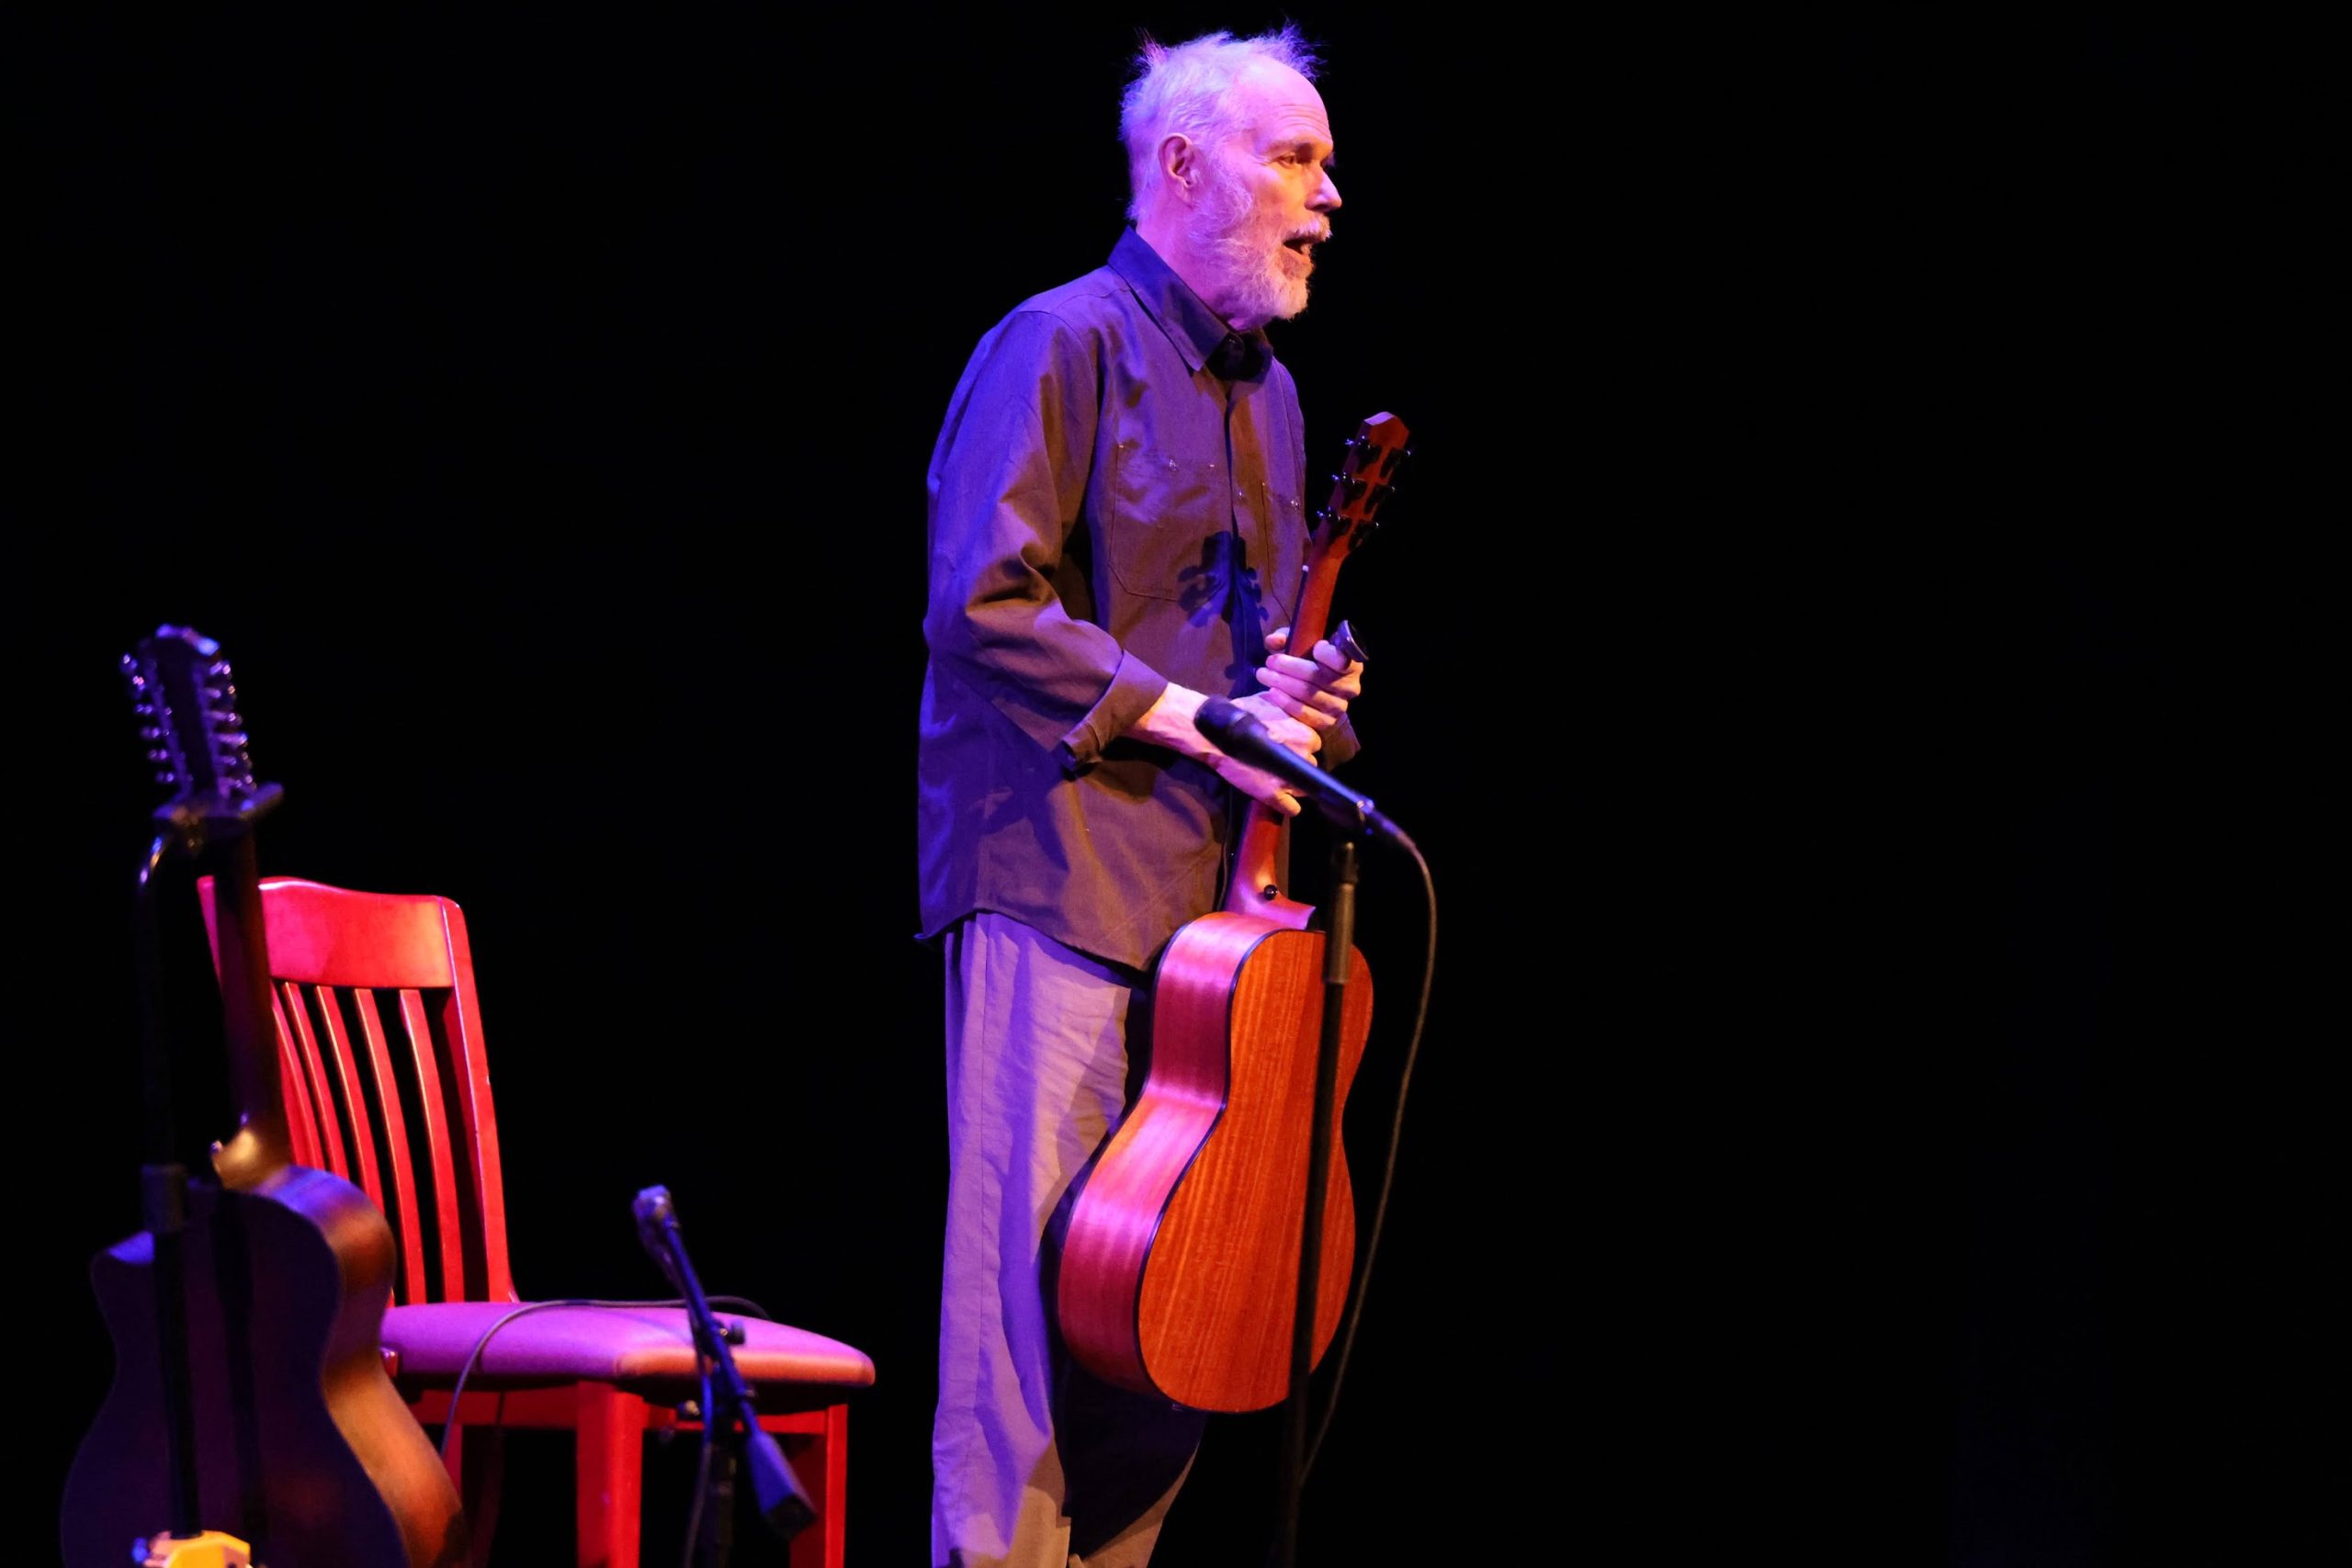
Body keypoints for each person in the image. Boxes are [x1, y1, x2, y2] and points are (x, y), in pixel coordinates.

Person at [918, 25, 1368, 1568]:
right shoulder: (1056, 342)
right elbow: (983, 606)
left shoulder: (1282, 396)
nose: (1328, 197)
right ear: (1182, 167)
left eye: (1323, 162)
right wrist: (1199, 714)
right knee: (1023, 1350)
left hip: (1210, 935)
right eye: (1294, 158)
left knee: (1164, 1333)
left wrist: (1303, 705)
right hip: (1057, 881)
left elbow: (1248, 677)